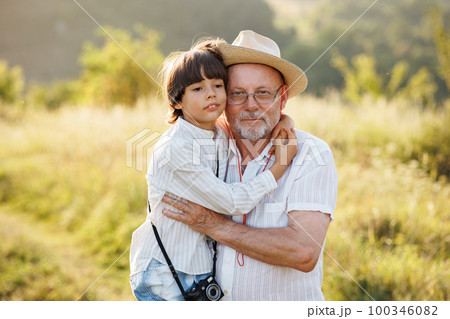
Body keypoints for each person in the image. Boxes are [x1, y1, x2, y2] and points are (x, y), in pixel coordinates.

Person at [162, 30, 338, 301]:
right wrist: (283, 119)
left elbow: (303, 252)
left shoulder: (310, 154)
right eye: (237, 94)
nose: (251, 106)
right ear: (221, 99)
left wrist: (214, 225)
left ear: (283, 97)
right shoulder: (208, 145)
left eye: (263, 94)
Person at [129, 38, 298, 301]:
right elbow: (232, 202)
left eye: (218, 85)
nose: (211, 94)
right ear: (176, 102)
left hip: (194, 269)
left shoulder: (217, 131)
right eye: (197, 88)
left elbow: (257, 116)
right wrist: (279, 167)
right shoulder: (177, 149)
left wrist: (285, 119)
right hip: (163, 272)